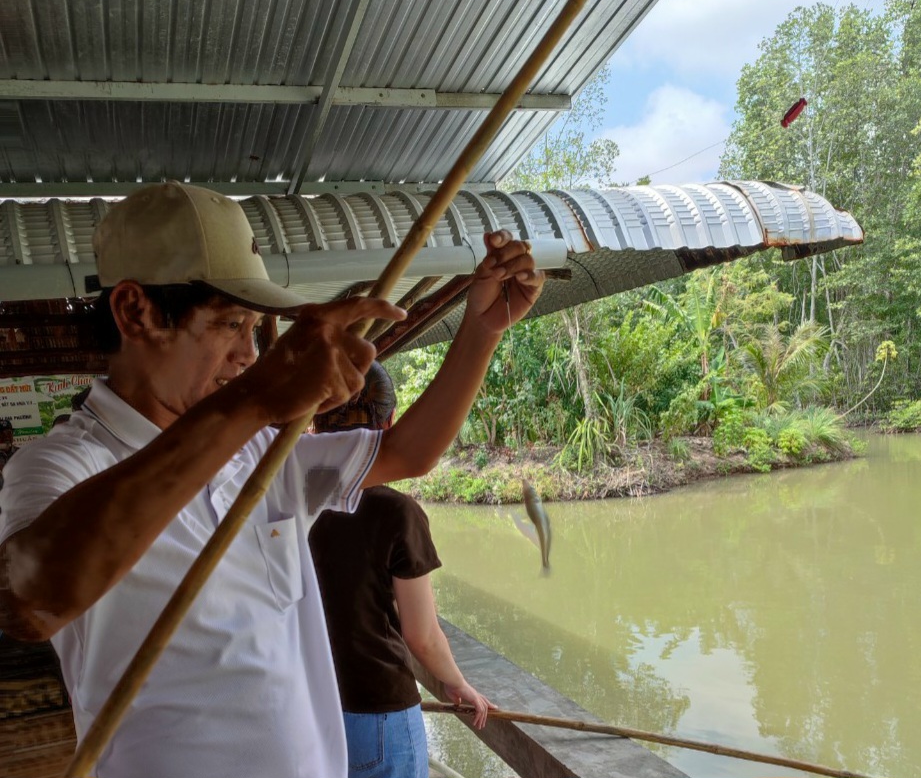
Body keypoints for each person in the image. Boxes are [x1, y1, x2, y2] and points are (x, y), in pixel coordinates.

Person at [0, 181, 542, 778]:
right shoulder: (60, 464)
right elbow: (30, 603)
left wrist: (483, 331)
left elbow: (408, 453)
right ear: (136, 311)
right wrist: (253, 403)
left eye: (255, 330)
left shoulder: (260, 450)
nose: (248, 356)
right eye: (231, 324)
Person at [310, 362, 491, 778]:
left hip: (313, 703)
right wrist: (456, 683)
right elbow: (422, 636)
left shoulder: (291, 503)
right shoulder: (396, 513)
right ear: (390, 421)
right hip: (378, 714)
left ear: (316, 424)